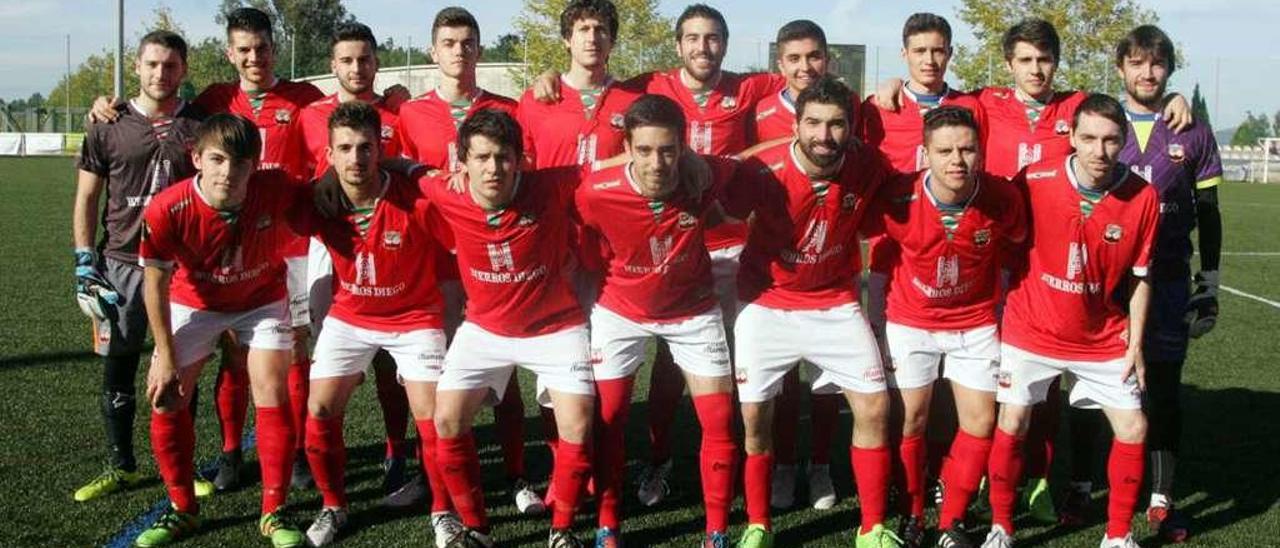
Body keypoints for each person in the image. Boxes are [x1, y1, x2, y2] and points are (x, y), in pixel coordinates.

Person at [726, 77, 898, 548]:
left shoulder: (869, 164)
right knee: (756, 417)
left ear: (854, 127)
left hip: (835, 302)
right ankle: (758, 524)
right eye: (814, 123)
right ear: (796, 124)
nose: (825, 135)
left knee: (875, 406)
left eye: (837, 124)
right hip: (767, 303)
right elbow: (720, 206)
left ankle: (873, 528)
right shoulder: (761, 168)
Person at [983, 94, 1159, 548]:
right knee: (1013, 420)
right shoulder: (1036, 178)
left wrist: (1135, 342)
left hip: (1100, 335)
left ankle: (1117, 536)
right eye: (1088, 138)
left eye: (1110, 140)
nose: (1099, 151)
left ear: (1123, 142)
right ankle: (1001, 526)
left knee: (1134, 427)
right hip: (1031, 326)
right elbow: (1005, 244)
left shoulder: (1143, 196)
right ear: (1072, 138)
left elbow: (1141, 278)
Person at [396, 7, 546, 514]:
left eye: (468, 41)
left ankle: (518, 475)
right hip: (435, 262)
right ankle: (429, 473)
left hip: (497, 260)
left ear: (479, 49)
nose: (459, 50)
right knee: (436, 378)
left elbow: (530, 171)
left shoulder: (508, 108)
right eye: (449, 42)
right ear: (433, 51)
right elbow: (399, 169)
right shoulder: (411, 113)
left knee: (502, 371)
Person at [426, 109, 596, 548]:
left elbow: (607, 166)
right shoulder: (447, 192)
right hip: (484, 329)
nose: (492, 168)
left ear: (521, 159)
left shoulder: (550, 186)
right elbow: (411, 171)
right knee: (445, 418)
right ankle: (477, 528)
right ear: (462, 161)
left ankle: (562, 531)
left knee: (577, 423)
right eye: (481, 157)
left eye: (503, 157)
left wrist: (688, 159)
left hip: (556, 327)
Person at [135, 114, 307, 547]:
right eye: (217, 159)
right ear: (196, 159)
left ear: (256, 165)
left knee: (271, 388)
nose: (228, 173)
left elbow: (331, 189)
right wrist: (164, 354)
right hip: (195, 304)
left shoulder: (277, 187)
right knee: (167, 395)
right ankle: (182, 509)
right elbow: (154, 284)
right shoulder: (166, 208)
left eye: (241, 163)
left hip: (261, 300)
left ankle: (274, 510)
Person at [576, 95, 739, 548]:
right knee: (608, 417)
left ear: (683, 146)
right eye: (644, 150)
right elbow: (586, 238)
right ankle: (608, 525)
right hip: (620, 311)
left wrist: (699, 162)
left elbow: (755, 160)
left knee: (720, 420)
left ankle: (716, 532)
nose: (657, 162)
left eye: (668, 150)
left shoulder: (704, 177)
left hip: (693, 311)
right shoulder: (596, 190)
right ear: (627, 147)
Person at [865, 106, 1026, 547]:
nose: (957, 159)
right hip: (910, 322)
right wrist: (877, 324)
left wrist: (1004, 309)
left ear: (981, 152)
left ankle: (950, 522)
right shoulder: (898, 196)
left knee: (980, 422)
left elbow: (1015, 251)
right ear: (925, 154)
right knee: (912, 420)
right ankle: (913, 513)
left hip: (974, 324)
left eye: (967, 149)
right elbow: (879, 261)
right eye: (945, 150)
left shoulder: (1002, 198)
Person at [295, 101, 454, 546]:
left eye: (365, 147)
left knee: (432, 416)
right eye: (344, 148)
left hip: (415, 316)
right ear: (328, 155)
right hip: (351, 316)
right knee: (320, 408)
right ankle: (334, 506)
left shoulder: (414, 196)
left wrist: (420, 169)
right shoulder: (319, 200)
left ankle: (442, 510)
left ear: (381, 147)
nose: (355, 158)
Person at [284, 21, 423, 508]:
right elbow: (296, 177)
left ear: (376, 63)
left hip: (388, 236)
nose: (356, 68)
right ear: (332, 65)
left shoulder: (399, 111)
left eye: (364, 59)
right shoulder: (308, 113)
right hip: (328, 239)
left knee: (389, 353)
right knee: (312, 347)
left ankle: (395, 449)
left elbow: (406, 167)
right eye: (347, 60)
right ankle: (305, 449)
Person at [70, 30, 209, 503]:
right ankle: (122, 465)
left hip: (183, 269)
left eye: (170, 66)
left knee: (183, 370)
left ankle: (185, 467)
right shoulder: (106, 123)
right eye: (152, 64)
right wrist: (84, 260)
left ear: (183, 70)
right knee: (119, 367)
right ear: (136, 66)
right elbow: (87, 198)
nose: (160, 73)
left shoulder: (200, 126)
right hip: (122, 265)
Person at [1115, 25, 1223, 543]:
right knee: (1102, 390)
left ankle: (1161, 495)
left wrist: (1213, 280)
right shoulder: (1099, 122)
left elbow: (1209, 210)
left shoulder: (1192, 130)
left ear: (1169, 71)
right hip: (1110, 284)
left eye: (1157, 65)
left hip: (1171, 281)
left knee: (1163, 389)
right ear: (1121, 69)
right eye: (1137, 63)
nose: (1147, 73)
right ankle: (1088, 484)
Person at [748, 18, 852, 512]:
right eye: (794, 58)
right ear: (779, 64)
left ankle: (822, 464)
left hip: (834, 264)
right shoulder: (760, 108)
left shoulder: (851, 108)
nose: (805, 66)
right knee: (783, 377)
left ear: (827, 58)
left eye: (813, 56)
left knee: (828, 377)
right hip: (774, 269)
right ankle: (786, 466)